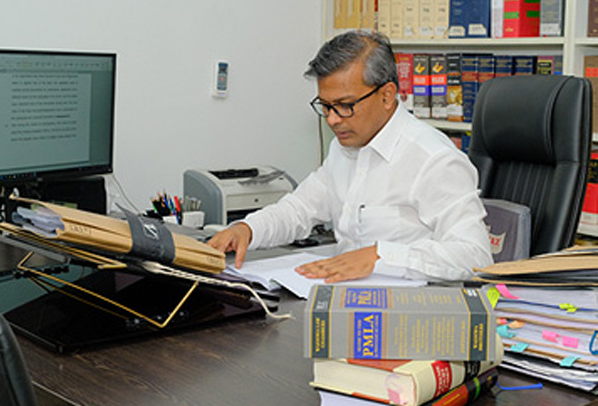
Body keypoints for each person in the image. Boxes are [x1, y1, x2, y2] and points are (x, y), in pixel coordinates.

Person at [208, 30, 493, 282]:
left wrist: (381, 256)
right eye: (325, 106)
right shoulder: (344, 148)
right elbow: (299, 209)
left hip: (411, 311)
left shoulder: (433, 159)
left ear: (386, 95)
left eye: (345, 105)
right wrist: (248, 229)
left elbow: (475, 256)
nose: (332, 119)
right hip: (345, 300)